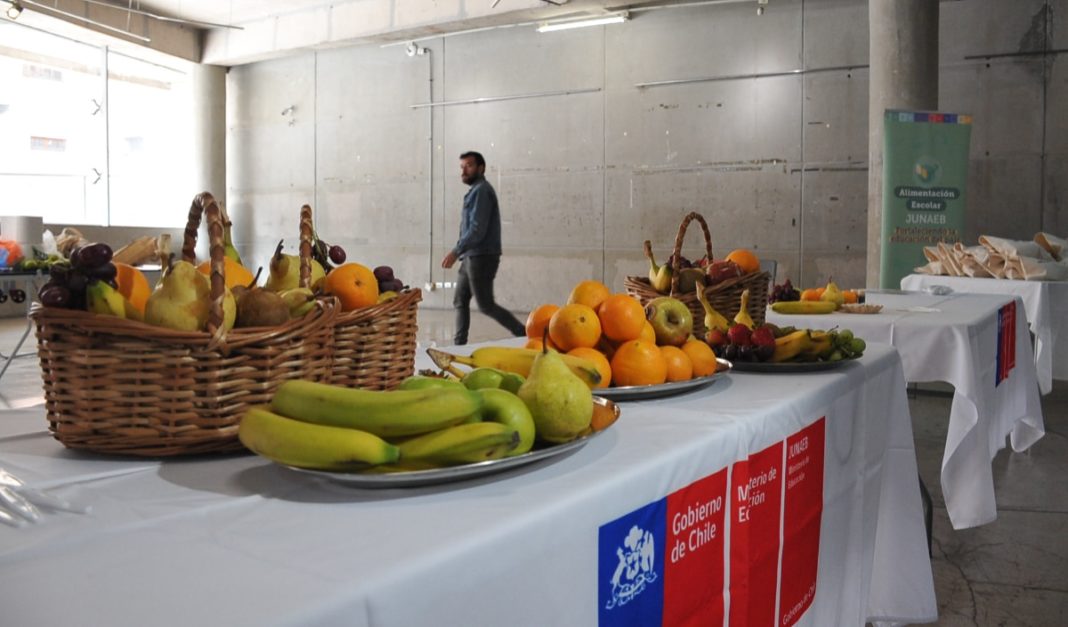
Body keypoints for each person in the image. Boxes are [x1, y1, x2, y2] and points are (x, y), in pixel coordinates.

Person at [441, 151, 526, 345]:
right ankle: (458, 344)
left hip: (481, 257)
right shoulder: (475, 191)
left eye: (469, 166)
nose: (464, 170)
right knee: (460, 300)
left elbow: (477, 229)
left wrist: (455, 251)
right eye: (461, 167)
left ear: (481, 168)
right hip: (470, 256)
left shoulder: (482, 191)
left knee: (486, 305)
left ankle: (524, 333)